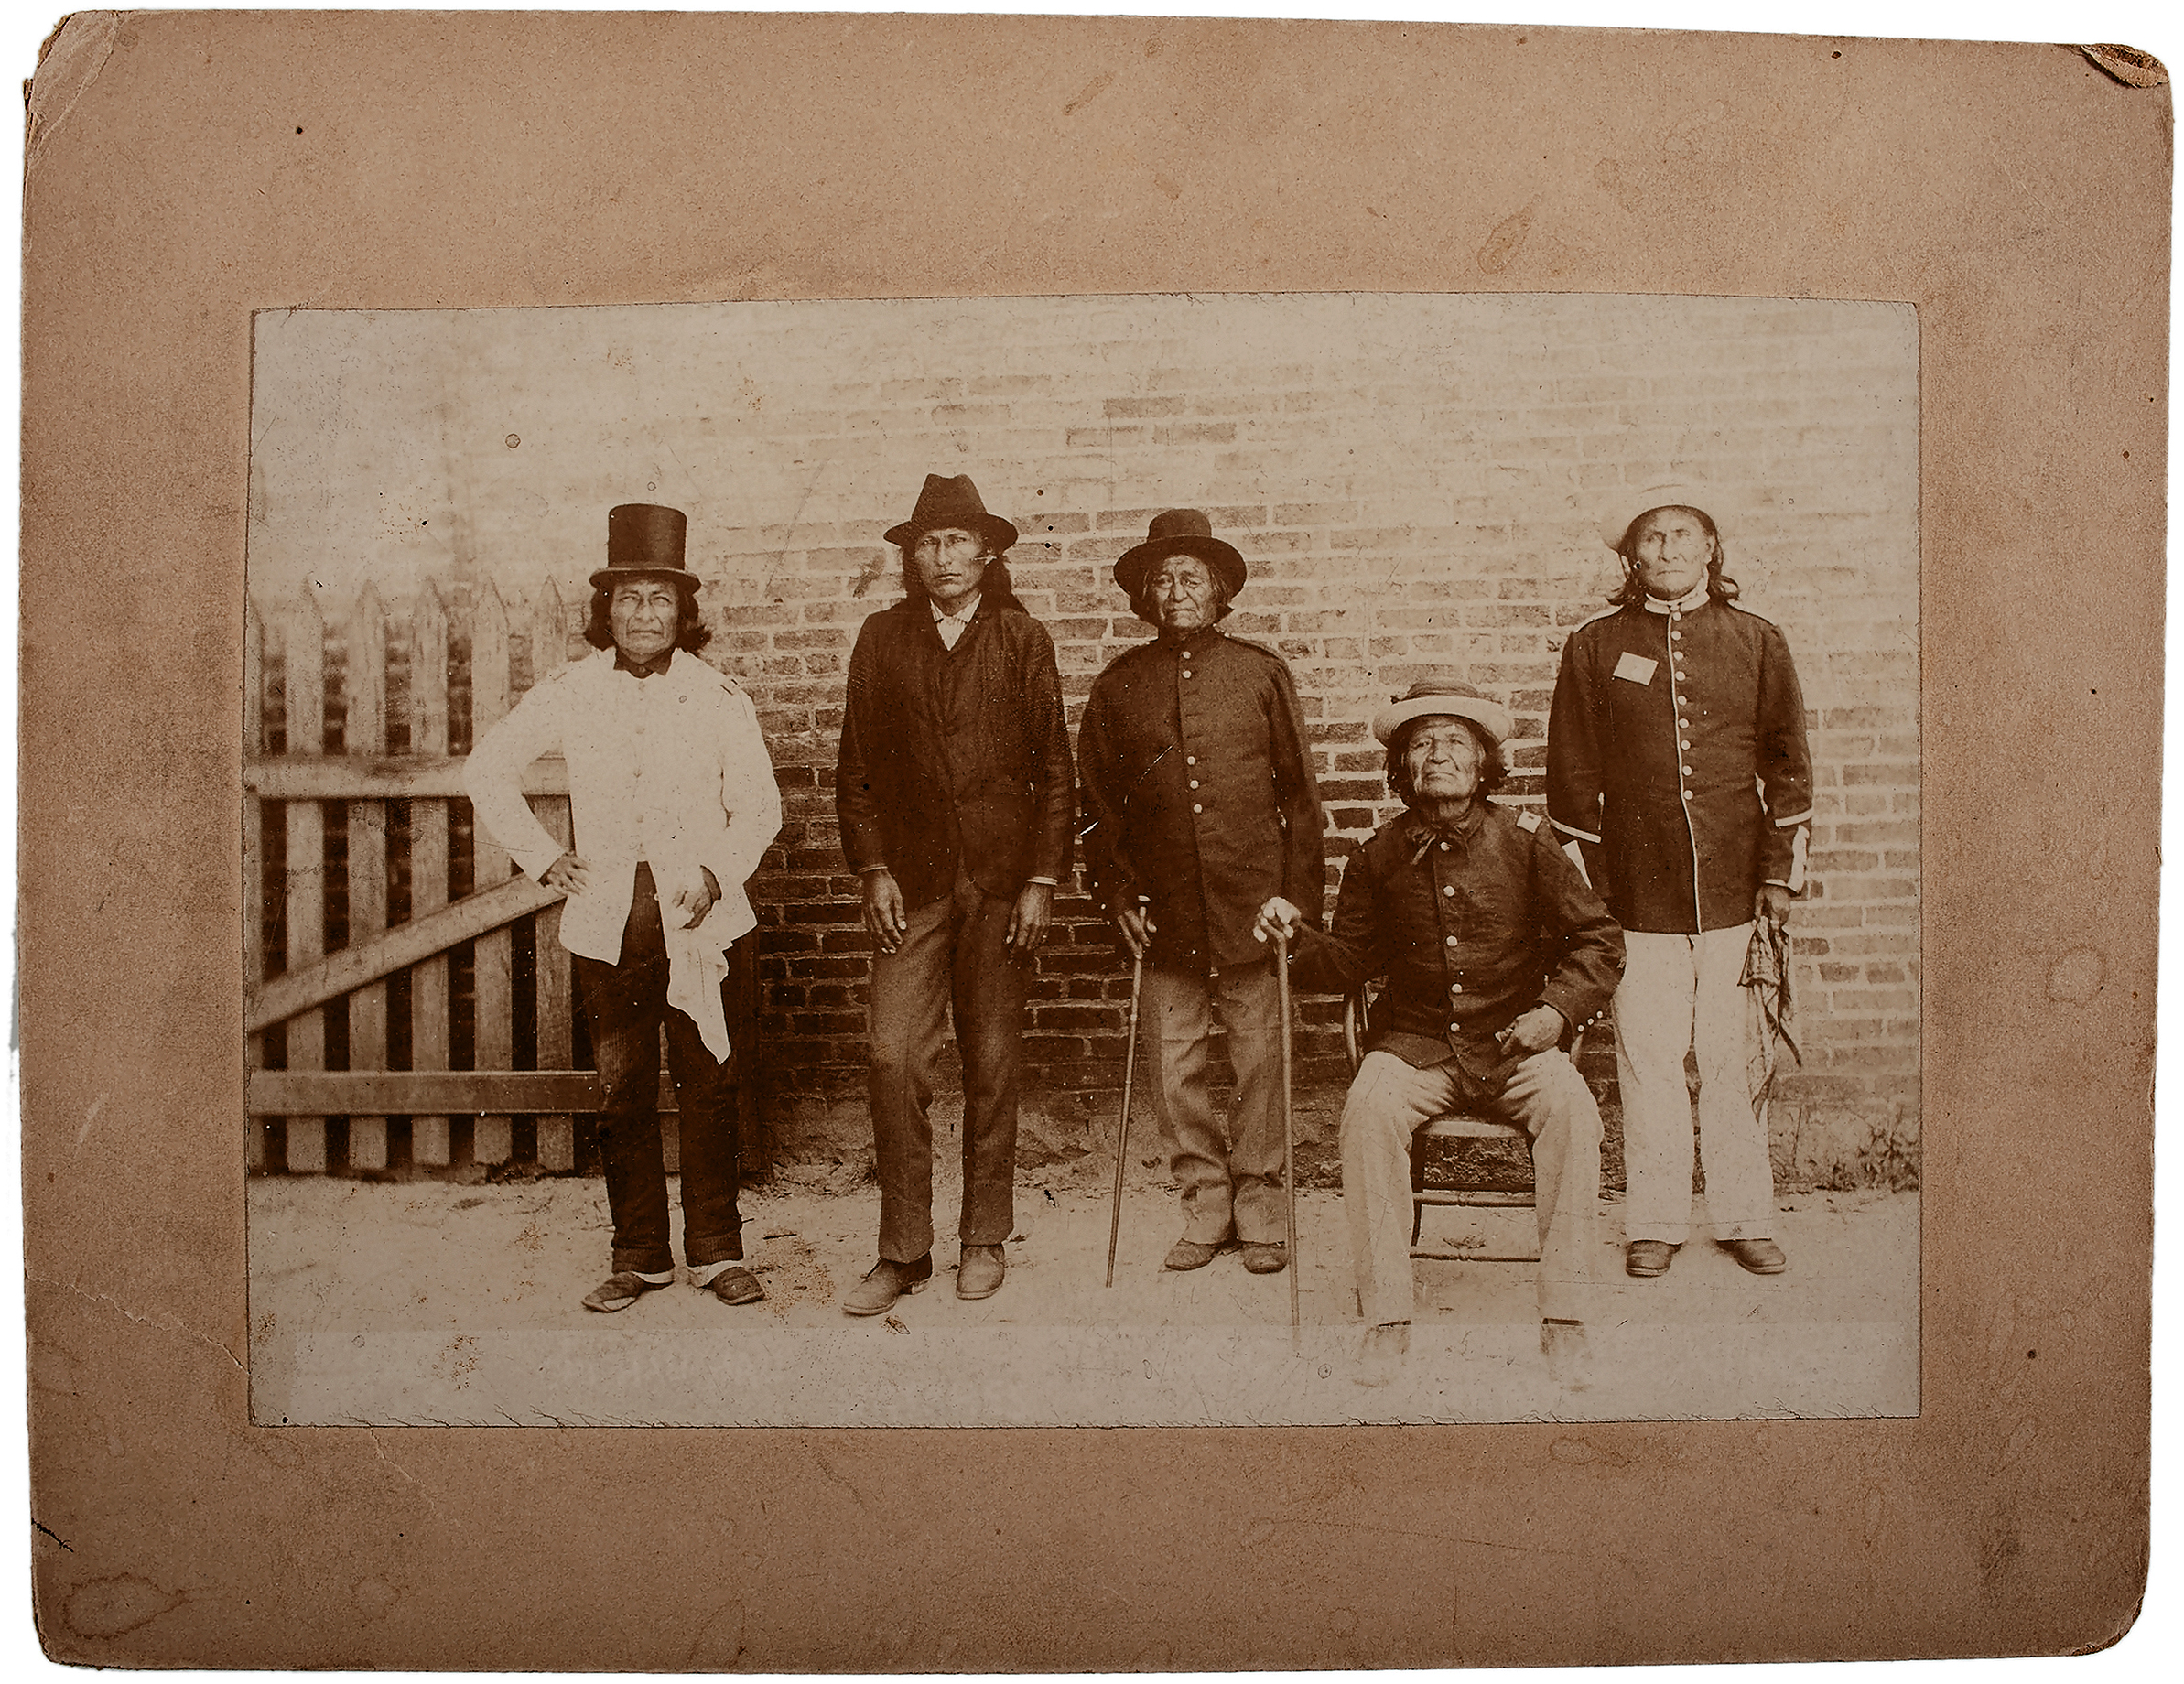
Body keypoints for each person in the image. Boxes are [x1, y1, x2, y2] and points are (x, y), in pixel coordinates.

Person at [1256, 676, 1623, 1386]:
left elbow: (1599, 940)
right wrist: (1292, 936)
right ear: (1402, 767)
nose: (1438, 755)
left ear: (1485, 763)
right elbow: (1351, 960)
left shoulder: (1528, 845)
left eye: (1457, 741)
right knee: (1367, 1112)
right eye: (1421, 743)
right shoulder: (1377, 856)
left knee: (1574, 1112)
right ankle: (1386, 1317)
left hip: (1517, 1045)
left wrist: (1556, 1012)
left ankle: (1567, 1316)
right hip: (1416, 1048)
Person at [463, 503, 782, 1313]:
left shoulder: (717, 695)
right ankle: (638, 1253)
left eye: (660, 599)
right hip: (611, 924)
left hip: (701, 919)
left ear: (685, 613)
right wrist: (544, 856)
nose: (644, 615)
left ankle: (716, 1250)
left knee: (710, 1082)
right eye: (629, 599)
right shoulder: (571, 690)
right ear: (606, 611)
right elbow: (488, 770)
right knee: (624, 1086)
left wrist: (716, 872)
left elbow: (760, 807)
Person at [1547, 485, 1814, 1280]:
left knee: (1733, 1056)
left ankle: (1742, 1215)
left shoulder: (1757, 641)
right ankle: (1656, 1220)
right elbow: (1571, 777)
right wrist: (1590, 892)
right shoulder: (1595, 645)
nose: (1667, 549)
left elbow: (1789, 766)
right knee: (1651, 1057)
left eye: (1682, 535)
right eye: (1651, 538)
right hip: (1636, 893)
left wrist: (1779, 877)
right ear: (1632, 557)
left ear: (1709, 549)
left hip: (1736, 885)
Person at [835, 474, 1075, 1315]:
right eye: (926, 543)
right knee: (893, 1055)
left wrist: (1043, 878)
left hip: (1005, 885)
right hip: (915, 883)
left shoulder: (1021, 637)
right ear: (913, 556)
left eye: (957, 541)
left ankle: (984, 1238)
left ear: (988, 551)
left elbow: (1054, 768)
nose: (941, 557)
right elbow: (856, 768)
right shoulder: (882, 638)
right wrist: (873, 869)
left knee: (992, 1063)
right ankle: (903, 1251)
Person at [1077, 510, 1325, 1276]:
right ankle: (1205, 1207)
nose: (1177, 591)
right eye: (1163, 580)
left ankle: (1261, 1208)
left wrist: (1295, 898)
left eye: (1192, 578)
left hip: (1254, 904)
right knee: (1174, 1065)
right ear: (1145, 599)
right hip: (1164, 910)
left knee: (1259, 1062)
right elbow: (1097, 808)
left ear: (1220, 593)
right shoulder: (1120, 684)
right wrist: (1119, 894)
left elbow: (1300, 797)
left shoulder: (1259, 673)